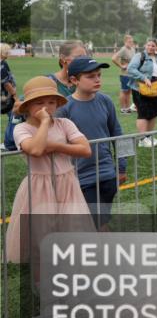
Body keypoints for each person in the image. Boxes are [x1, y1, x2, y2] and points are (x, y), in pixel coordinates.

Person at [5, 77, 94, 270]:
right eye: (39, 102)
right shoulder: (21, 128)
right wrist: (45, 122)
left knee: (71, 232)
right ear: (28, 106)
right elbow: (35, 149)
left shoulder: (64, 124)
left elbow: (86, 149)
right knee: (42, 238)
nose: (47, 107)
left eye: (51, 102)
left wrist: (55, 146)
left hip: (67, 184)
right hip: (39, 187)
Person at [58, 57, 124, 229]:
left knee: (99, 223)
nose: (97, 79)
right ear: (74, 80)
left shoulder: (105, 101)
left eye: (99, 75)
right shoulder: (65, 108)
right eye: (90, 76)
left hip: (108, 175)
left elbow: (117, 133)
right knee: (96, 224)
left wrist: (121, 167)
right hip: (82, 178)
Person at [127, 39, 157, 146]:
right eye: (148, 45)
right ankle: (142, 139)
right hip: (141, 88)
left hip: (156, 88)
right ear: (145, 45)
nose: (150, 47)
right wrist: (144, 78)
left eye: (153, 46)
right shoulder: (140, 56)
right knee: (143, 113)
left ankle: (149, 137)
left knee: (153, 113)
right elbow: (131, 69)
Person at [112, 35, 137, 114]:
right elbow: (113, 58)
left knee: (129, 92)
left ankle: (127, 107)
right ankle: (123, 109)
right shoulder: (123, 49)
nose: (131, 43)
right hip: (125, 75)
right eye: (129, 41)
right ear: (125, 42)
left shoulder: (132, 49)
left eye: (132, 41)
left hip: (132, 74)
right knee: (124, 91)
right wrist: (121, 66)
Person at [1, 43, 17, 118]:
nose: (9, 53)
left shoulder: (3, 63)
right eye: (8, 51)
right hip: (5, 96)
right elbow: (6, 83)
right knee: (14, 117)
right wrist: (14, 96)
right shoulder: (2, 65)